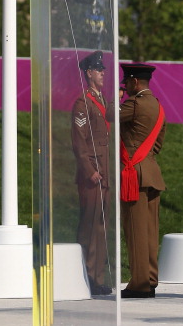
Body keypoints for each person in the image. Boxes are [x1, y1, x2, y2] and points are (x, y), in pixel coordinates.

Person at [119, 62, 166, 299]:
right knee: (149, 231)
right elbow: (158, 144)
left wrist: (115, 98)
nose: (125, 87)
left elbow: (109, 116)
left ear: (135, 82)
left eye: (126, 82)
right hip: (151, 172)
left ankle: (139, 285)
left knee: (136, 231)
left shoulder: (134, 103)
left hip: (133, 175)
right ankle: (150, 279)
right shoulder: (157, 105)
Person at [71, 50, 113, 296]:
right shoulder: (83, 103)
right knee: (89, 227)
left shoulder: (103, 101)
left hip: (104, 173)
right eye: (99, 70)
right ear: (88, 73)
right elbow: (80, 142)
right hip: (93, 175)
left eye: (103, 69)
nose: (103, 73)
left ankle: (96, 277)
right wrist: (89, 171)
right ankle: (85, 276)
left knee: (100, 227)